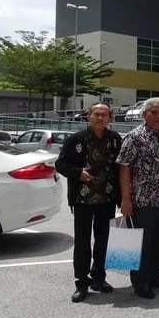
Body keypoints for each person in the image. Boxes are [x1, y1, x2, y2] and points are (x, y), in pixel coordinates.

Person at [56, 103, 123, 303]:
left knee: (103, 240)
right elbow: (60, 164)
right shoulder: (75, 140)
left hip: (107, 198)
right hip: (82, 199)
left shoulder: (115, 139)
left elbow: (121, 167)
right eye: (96, 114)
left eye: (104, 115)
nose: (100, 117)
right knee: (83, 242)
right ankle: (81, 283)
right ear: (88, 117)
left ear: (109, 118)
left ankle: (99, 278)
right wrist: (78, 174)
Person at [116, 98, 159, 299]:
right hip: (141, 199)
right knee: (142, 243)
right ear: (145, 115)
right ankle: (141, 281)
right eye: (155, 112)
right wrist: (125, 199)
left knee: (158, 241)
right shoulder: (135, 136)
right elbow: (124, 167)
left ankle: (155, 276)